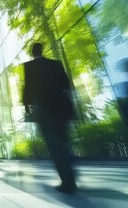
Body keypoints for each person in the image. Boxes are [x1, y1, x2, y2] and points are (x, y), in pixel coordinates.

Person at [23, 42, 76, 193]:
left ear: (32, 53)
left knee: (54, 145)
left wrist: (27, 106)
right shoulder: (56, 64)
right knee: (63, 141)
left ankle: (67, 180)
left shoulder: (29, 67)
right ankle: (70, 174)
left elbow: (27, 87)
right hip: (61, 107)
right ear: (42, 50)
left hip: (44, 110)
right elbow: (66, 84)